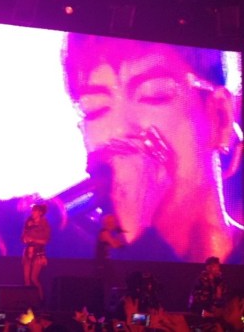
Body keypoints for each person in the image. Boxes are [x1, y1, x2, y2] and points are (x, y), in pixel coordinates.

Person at [61, 33, 243, 263]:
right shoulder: (68, 253)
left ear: (220, 117)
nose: (119, 130)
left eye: (153, 95)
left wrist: (142, 240)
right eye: (95, 108)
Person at [21, 203, 51, 302]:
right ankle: (28, 301)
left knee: (34, 278)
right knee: (26, 279)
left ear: (40, 213)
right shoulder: (28, 222)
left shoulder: (44, 224)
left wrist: (33, 239)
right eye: (32, 211)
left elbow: (45, 241)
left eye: (35, 211)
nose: (32, 213)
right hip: (28, 252)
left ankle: (40, 300)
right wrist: (25, 239)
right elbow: (23, 236)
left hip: (38, 253)